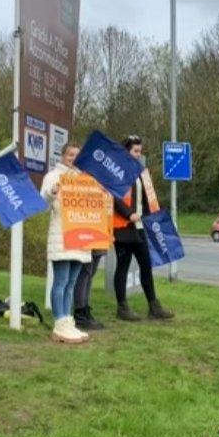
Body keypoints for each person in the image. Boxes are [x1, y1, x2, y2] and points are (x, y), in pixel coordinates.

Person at [112, 135, 173, 321]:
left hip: (140, 226)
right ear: (126, 151)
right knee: (122, 265)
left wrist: (156, 213)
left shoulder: (142, 172)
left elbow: (149, 198)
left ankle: (153, 306)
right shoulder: (118, 171)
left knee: (146, 265)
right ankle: (122, 307)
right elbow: (114, 197)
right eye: (135, 151)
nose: (139, 155)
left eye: (140, 151)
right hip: (123, 226)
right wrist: (129, 213)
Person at [41, 142, 91, 343]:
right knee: (60, 281)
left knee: (71, 283)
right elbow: (43, 203)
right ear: (62, 156)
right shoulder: (52, 176)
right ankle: (58, 323)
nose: (73, 159)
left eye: (77, 156)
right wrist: (52, 191)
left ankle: (68, 321)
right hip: (61, 235)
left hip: (80, 236)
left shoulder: (84, 178)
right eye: (70, 155)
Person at [72, 249, 106, 330]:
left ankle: (85, 309)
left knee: (90, 273)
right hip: (87, 242)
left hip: (99, 241)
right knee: (85, 273)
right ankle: (80, 312)